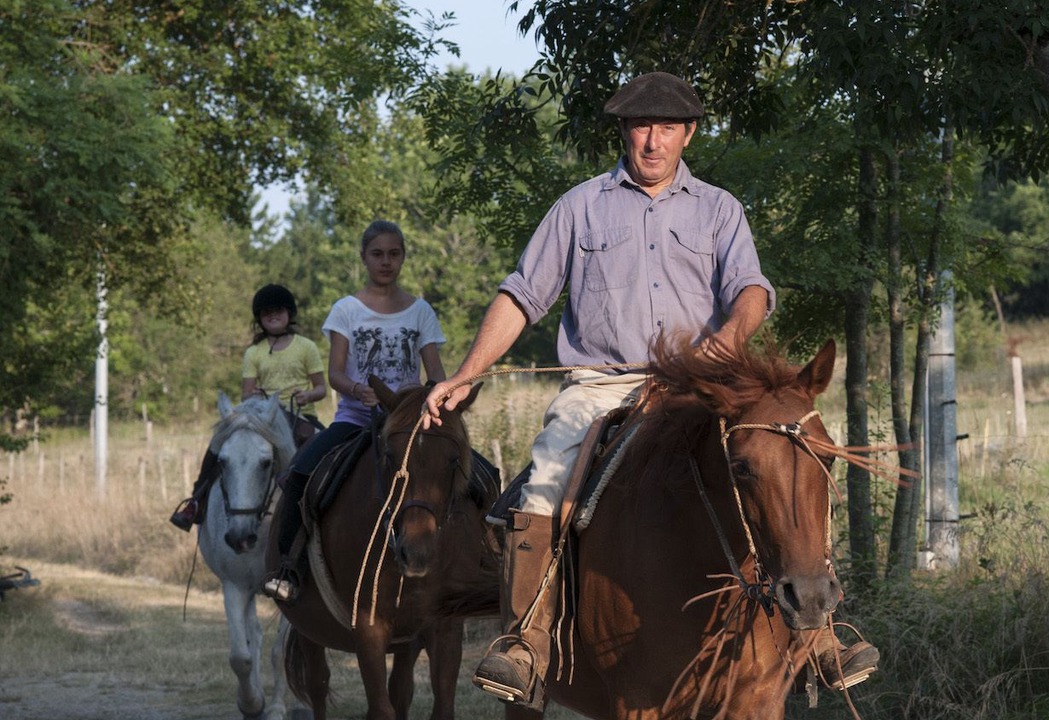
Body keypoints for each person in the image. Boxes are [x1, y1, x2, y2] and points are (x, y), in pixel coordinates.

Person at [423, 71, 878, 710]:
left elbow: (752, 287)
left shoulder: (720, 209)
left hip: (701, 386)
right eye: (642, 126)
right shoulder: (578, 207)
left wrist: (732, 334)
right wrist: (466, 371)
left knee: (786, 453)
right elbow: (522, 295)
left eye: (668, 127)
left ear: (688, 133)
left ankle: (822, 632)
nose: (653, 141)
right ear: (624, 131)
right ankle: (528, 642)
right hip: (600, 386)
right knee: (550, 473)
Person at [262, 220, 447, 604]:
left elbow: (438, 375)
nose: (386, 262)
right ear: (364, 257)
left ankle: (480, 563)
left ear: (403, 257)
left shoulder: (421, 311)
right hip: (356, 419)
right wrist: (358, 389)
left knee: (469, 471)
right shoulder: (346, 309)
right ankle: (289, 568)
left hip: (407, 425)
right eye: (377, 254)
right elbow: (334, 374)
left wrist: (426, 393)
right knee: (300, 474)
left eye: (394, 254)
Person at [169, 283, 327, 532]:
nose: (273, 316)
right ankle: (197, 500)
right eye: (266, 313)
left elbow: (321, 388)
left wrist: (308, 395)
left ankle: (323, 505)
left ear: (289, 314)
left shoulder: (306, 347)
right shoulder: (254, 352)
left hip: (298, 413)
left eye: (278, 311)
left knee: (322, 445)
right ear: (259, 319)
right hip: (263, 414)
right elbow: (246, 391)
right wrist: (253, 395)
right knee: (219, 442)